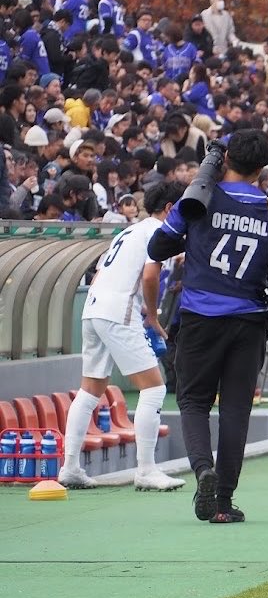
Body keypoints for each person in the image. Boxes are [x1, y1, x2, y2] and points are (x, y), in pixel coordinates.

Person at [147, 130, 268, 524]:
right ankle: (223, 502)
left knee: (193, 402)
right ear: (262, 167)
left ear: (224, 159)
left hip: (201, 317)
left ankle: (203, 469)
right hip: (251, 320)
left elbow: (157, 248)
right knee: (236, 410)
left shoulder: (201, 197)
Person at [57, 182, 188, 492]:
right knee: (155, 388)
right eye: (182, 208)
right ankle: (146, 470)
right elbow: (150, 275)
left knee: (90, 389)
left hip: (93, 306)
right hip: (119, 310)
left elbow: (102, 273)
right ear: (169, 209)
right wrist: (152, 315)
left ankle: (70, 467)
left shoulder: (129, 230)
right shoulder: (158, 232)